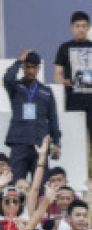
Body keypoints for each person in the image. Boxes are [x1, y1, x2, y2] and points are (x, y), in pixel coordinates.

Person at [3, 50, 62, 180]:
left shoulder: (46, 92)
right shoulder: (15, 87)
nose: (31, 71)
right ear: (23, 68)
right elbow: (7, 78)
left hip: (39, 143)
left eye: (34, 67)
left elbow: (53, 119)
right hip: (19, 142)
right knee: (16, 183)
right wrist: (19, 61)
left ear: (38, 68)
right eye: (28, 67)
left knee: (41, 185)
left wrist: (56, 143)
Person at [55, 11, 92, 146]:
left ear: (88, 27)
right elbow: (57, 73)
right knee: (75, 139)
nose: (81, 29)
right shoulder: (64, 48)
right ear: (72, 28)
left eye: (84, 26)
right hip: (73, 100)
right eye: (78, 26)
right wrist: (62, 81)